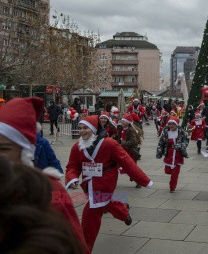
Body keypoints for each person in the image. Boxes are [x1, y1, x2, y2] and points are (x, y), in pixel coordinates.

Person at [0, 97, 89, 253]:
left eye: (4, 149)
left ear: (25, 151)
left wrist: (62, 176)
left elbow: (75, 243)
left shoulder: (47, 190)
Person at [66, 115, 153, 251]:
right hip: (88, 185)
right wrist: (72, 178)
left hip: (105, 182)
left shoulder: (109, 144)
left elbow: (127, 162)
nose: (82, 131)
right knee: (106, 203)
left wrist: (144, 180)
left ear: (94, 129)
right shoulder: (77, 147)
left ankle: (84, 249)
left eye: (85, 128)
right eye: (80, 128)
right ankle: (123, 212)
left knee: (91, 214)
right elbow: (72, 166)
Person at [0, 156, 84, 254]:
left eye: (4, 148)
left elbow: (53, 161)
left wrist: (60, 175)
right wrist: (71, 178)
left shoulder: (52, 187)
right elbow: (74, 165)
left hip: (102, 189)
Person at [156, 116, 189, 192]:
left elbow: (186, 141)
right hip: (169, 153)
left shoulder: (181, 132)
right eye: (170, 124)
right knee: (167, 171)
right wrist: (159, 152)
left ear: (176, 124)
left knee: (175, 173)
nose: (171, 126)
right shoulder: (165, 132)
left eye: (173, 124)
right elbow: (161, 142)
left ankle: (172, 187)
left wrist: (180, 146)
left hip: (178, 154)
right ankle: (171, 175)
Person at [113, 114, 144, 188]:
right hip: (122, 151)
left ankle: (139, 181)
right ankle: (111, 180)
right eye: (122, 121)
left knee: (132, 168)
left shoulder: (131, 130)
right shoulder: (120, 128)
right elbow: (119, 137)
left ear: (128, 122)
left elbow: (133, 141)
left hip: (130, 151)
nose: (122, 122)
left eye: (124, 121)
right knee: (115, 165)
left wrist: (122, 144)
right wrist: (115, 137)